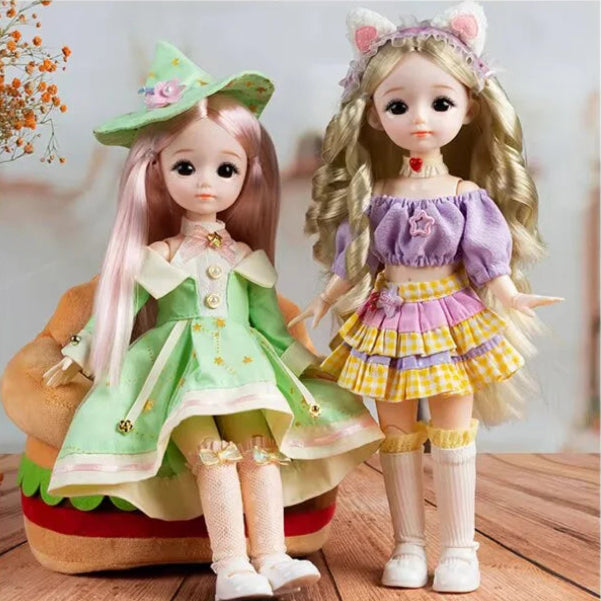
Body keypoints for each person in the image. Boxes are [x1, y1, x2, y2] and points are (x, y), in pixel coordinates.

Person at [43, 41, 383, 601]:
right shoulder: (163, 255)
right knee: (213, 460)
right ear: (156, 173)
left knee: (260, 454)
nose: (207, 182)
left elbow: (271, 328)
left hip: (246, 369)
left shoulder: (245, 258)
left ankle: (272, 555)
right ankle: (230, 565)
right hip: (179, 371)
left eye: (227, 169)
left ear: (248, 175)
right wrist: (80, 351)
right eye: (186, 166)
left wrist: (310, 366)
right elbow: (119, 307)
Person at [292, 2, 562, 593]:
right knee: (395, 430)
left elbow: (487, 258)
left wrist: (508, 294)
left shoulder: (467, 195)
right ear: (373, 114)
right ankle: (408, 545)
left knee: (452, 426)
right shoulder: (376, 196)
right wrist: (325, 299)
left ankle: (459, 548)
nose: (419, 118)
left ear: (469, 109)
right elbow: (356, 259)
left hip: (450, 314)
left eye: (440, 103)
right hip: (387, 317)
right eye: (399, 105)